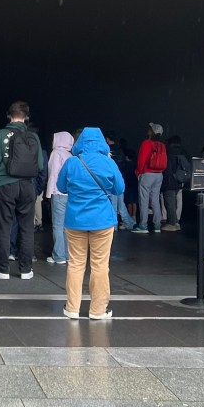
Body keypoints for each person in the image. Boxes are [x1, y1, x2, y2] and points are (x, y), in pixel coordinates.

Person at [56, 127, 125, 320]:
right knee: (100, 265)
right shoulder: (108, 162)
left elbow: (61, 187)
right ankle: (98, 310)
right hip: (102, 221)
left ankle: (72, 307)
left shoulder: (72, 162)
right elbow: (119, 188)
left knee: (76, 264)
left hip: (75, 220)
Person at [0, 100, 43, 280]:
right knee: (27, 228)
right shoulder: (33, 137)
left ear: (8, 115)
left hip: (6, 185)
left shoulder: (0, 135)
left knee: (4, 226)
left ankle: (3, 269)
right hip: (27, 186)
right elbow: (40, 165)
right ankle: (26, 270)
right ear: (26, 117)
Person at [46, 131, 74, 264]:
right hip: (70, 194)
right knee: (66, 226)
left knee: (57, 225)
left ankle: (58, 255)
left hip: (58, 193)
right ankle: (67, 254)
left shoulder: (56, 153)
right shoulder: (70, 155)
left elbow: (53, 174)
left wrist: (48, 193)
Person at [133, 122, 167, 234]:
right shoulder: (162, 145)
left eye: (150, 129)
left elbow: (141, 160)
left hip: (147, 174)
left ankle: (143, 226)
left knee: (144, 200)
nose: (148, 130)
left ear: (152, 132)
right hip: (159, 175)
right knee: (155, 200)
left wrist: (138, 172)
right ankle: (157, 225)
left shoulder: (146, 143)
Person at [104, 131, 136, 230]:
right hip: (120, 177)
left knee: (113, 204)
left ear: (107, 139)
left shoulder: (107, 151)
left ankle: (114, 226)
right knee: (121, 204)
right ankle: (129, 223)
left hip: (111, 178)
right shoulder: (120, 150)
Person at [161, 135, 191, 232]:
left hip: (170, 180)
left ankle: (172, 223)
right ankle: (176, 221)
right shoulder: (182, 151)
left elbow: (167, 168)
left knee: (170, 202)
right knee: (177, 201)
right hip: (179, 180)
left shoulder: (169, 152)